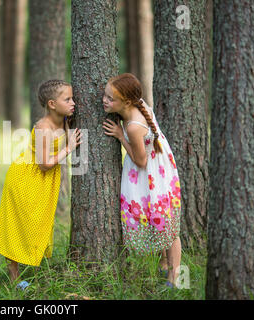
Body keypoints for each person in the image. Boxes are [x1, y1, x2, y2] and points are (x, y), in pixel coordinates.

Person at [0, 79, 82, 289]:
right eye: (68, 99)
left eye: (72, 98)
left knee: (35, 225)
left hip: (42, 182)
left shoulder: (64, 119)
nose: (74, 103)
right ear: (52, 104)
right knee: (23, 224)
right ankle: (14, 278)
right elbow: (44, 164)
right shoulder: (43, 127)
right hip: (27, 178)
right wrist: (69, 148)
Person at [102, 73, 182, 288]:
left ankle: (177, 280)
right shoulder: (137, 105)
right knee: (159, 220)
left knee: (169, 228)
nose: (104, 100)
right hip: (158, 166)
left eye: (111, 98)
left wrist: (120, 136)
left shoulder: (133, 126)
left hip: (152, 173)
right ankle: (164, 263)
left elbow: (140, 160)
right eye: (105, 95)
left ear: (126, 102)